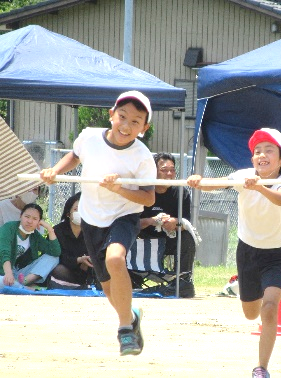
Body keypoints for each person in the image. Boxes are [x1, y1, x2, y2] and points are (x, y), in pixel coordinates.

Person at [40, 90, 157, 356]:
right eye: (122, 117)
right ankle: (132, 315)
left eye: (135, 121)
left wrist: (118, 189)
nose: (126, 125)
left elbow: (148, 197)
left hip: (125, 215)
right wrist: (54, 171)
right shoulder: (90, 136)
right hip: (92, 217)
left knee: (115, 260)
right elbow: (75, 155)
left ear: (144, 128)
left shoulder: (142, 155)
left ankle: (125, 329)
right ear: (111, 115)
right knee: (106, 286)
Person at [187, 128, 281, 378]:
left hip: (277, 255)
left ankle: (261, 368)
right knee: (250, 313)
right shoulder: (245, 176)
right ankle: (243, 291)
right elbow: (219, 183)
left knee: (269, 309)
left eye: (269, 150)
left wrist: (259, 188)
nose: (262, 155)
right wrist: (199, 182)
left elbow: (280, 199)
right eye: (257, 151)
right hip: (248, 252)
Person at [138, 152, 196, 287]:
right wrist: (152, 221)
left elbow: (186, 223)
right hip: (144, 238)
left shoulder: (181, 193)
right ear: (154, 171)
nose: (169, 174)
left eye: (172, 170)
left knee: (187, 237)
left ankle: (182, 281)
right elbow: (131, 223)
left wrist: (175, 222)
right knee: (127, 234)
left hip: (169, 239)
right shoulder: (142, 191)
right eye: (164, 170)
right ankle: (133, 279)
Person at [0, 203, 60, 289]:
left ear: (39, 222)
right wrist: (8, 274)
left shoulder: (34, 236)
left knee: (54, 258)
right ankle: (24, 287)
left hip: (19, 275)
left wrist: (50, 230)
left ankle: (23, 283)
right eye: (27, 217)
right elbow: (4, 253)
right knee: (2, 282)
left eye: (35, 219)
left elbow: (55, 252)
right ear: (21, 216)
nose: (30, 221)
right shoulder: (9, 228)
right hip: (4, 271)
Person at [49, 192, 94, 288]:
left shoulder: (93, 230)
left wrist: (88, 261)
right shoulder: (58, 230)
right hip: (66, 270)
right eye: (76, 209)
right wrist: (78, 260)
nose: (80, 213)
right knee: (58, 270)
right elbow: (57, 256)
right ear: (68, 213)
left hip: (88, 271)